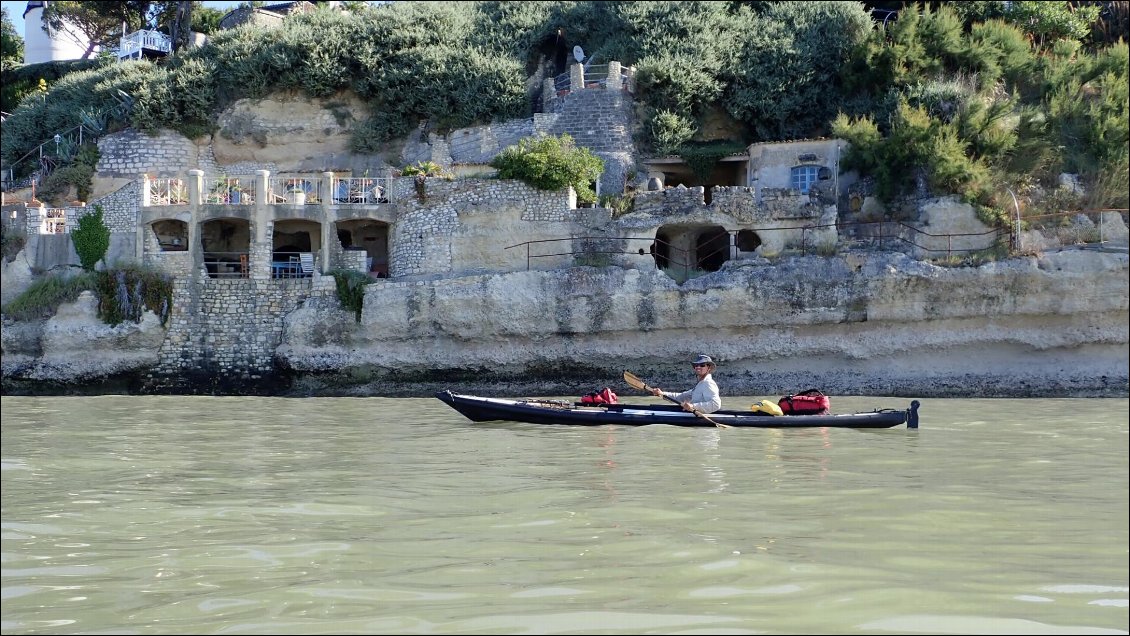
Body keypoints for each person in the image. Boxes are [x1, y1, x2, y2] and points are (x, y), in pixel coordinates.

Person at [650, 354, 722, 414]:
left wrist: (693, 406)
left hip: (701, 420)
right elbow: (681, 397)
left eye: (702, 365)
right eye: (696, 365)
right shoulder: (700, 385)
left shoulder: (708, 383)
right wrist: (662, 393)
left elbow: (716, 404)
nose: (698, 367)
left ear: (708, 368)